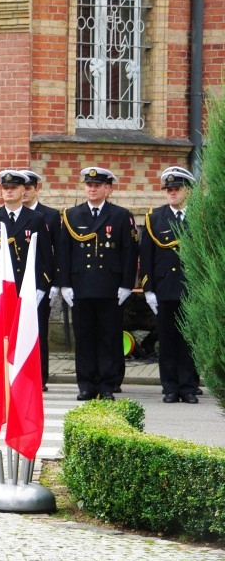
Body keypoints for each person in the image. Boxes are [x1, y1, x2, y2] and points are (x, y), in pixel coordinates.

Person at [58, 167, 138, 401]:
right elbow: (64, 252)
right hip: (80, 285)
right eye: (88, 185)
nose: (92, 189)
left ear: (108, 189)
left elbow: (129, 252)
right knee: (84, 337)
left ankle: (107, 384)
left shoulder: (121, 215)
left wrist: (126, 285)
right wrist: (65, 284)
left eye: (97, 185)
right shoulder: (71, 215)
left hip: (110, 287)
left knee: (109, 336)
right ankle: (86, 384)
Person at [139, 167, 199, 404]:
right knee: (167, 339)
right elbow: (147, 257)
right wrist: (148, 289)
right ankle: (170, 388)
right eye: (168, 190)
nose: (172, 193)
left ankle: (189, 387)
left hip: (193, 289)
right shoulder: (155, 217)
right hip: (164, 288)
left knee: (189, 340)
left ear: (188, 191)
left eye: (176, 189)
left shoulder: (200, 216)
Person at [0, 169, 53, 320]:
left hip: (28, 283)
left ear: (23, 190)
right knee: (4, 335)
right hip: (1, 284)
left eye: (13, 188)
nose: (9, 191)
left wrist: (43, 286)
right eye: (6, 188)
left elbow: (46, 256)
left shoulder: (36, 218)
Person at [22, 170, 61, 390]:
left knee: (39, 331)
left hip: (40, 281)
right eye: (23, 188)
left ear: (37, 189)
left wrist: (55, 282)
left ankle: (39, 377)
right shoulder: (10, 214)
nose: (25, 192)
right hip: (17, 282)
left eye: (29, 188)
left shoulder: (50, 215)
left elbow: (57, 250)